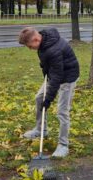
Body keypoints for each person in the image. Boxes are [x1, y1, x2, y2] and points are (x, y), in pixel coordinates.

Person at [18, 27, 79, 158]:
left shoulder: (53, 49)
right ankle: (41, 130)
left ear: (35, 39)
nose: (30, 49)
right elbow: (51, 68)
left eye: (29, 46)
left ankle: (63, 145)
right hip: (55, 74)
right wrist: (45, 68)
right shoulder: (44, 41)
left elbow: (57, 77)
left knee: (62, 111)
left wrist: (49, 99)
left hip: (67, 78)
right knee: (39, 98)